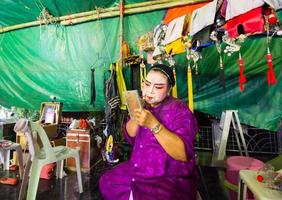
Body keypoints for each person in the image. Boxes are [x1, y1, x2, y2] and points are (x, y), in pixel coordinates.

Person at [99, 64, 198, 200]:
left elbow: (182, 153)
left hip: (167, 173)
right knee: (107, 181)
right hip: (139, 166)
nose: (150, 91)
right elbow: (129, 134)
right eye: (147, 84)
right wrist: (136, 113)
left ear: (168, 89)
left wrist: (154, 125)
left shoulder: (179, 110)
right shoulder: (144, 105)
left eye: (158, 87)